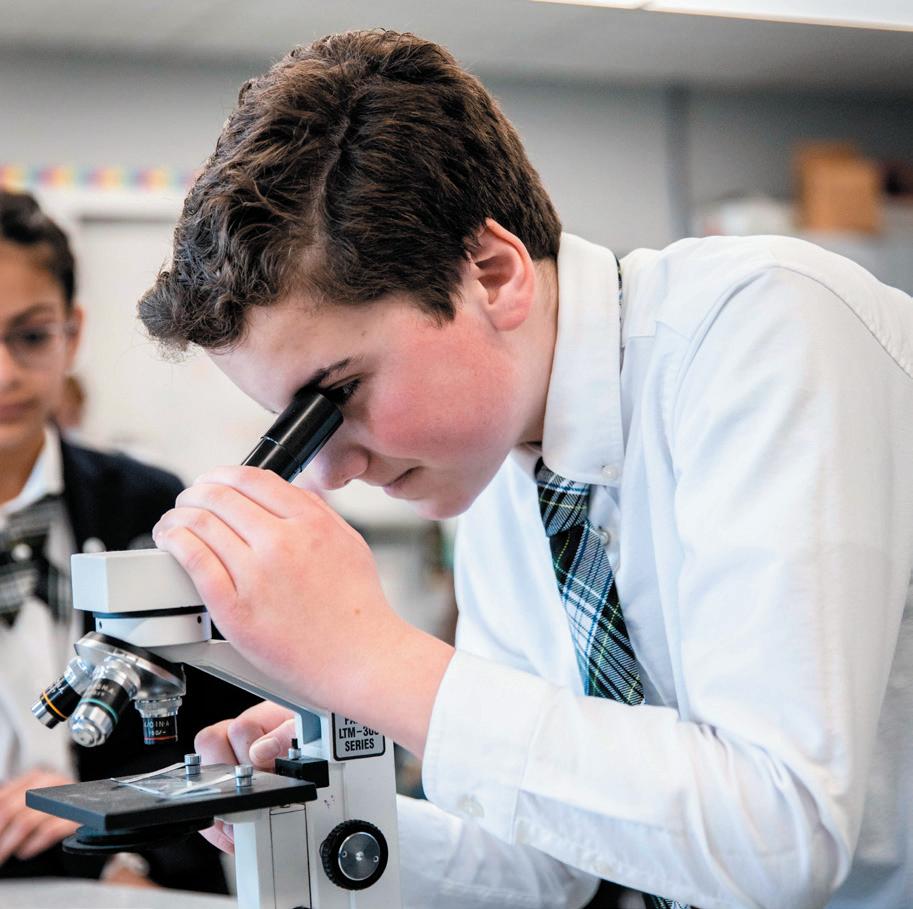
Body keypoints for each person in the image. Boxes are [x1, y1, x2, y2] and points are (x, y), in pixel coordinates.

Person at [139, 31, 913, 909]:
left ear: (492, 273)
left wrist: (370, 661)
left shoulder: (763, 326)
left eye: (339, 393)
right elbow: (549, 863)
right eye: (292, 427)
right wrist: (320, 814)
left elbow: (781, 836)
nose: (326, 471)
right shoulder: (501, 465)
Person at [0, 189, 258, 892]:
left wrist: (126, 852)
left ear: (72, 332)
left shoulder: (150, 505)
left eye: (30, 336)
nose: (6, 373)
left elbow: (212, 739)